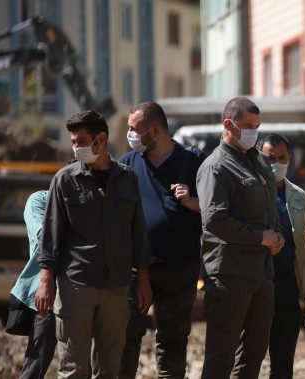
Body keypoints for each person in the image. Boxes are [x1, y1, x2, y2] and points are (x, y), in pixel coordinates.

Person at [35, 110, 152, 378]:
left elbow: (138, 232)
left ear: (101, 139)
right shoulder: (64, 180)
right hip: (77, 284)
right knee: (74, 366)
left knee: (109, 367)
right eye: (74, 142)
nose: (77, 148)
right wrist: (45, 282)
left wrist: (144, 277)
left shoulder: (127, 178)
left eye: (82, 141)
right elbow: (51, 234)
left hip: (116, 286)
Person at [196, 97, 285, 378]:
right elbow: (215, 219)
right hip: (230, 275)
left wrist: (277, 236)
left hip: (262, 273)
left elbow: (270, 208)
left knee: (254, 353)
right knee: (222, 354)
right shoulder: (216, 167)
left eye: (257, 126)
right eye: (247, 126)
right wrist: (260, 237)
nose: (253, 133)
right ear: (228, 124)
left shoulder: (258, 161)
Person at [118, 102, 206, 379]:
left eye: (134, 129)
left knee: (172, 341)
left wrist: (192, 201)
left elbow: (217, 208)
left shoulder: (193, 162)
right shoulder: (127, 164)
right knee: (127, 338)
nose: (129, 134)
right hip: (135, 268)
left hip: (179, 268)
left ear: (153, 131)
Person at [257, 133, 305, 378]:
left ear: (290, 158)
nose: (276, 163)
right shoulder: (248, 192)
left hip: (287, 286)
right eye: (270, 158)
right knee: (249, 357)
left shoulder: (299, 197)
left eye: (281, 158)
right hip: (256, 285)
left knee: (282, 362)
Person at [10, 190, 55, 379]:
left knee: (83, 364)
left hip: (82, 290)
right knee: (35, 364)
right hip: (46, 293)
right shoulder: (39, 200)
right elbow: (43, 237)